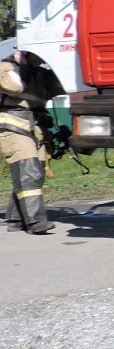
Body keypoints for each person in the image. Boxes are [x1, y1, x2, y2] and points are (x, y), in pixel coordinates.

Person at [0, 50, 65, 234]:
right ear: (22, 54)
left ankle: (15, 218)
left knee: (35, 174)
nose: (40, 60)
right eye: (36, 56)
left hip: (35, 127)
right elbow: (15, 86)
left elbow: (65, 86)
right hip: (13, 127)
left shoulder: (40, 74)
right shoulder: (5, 68)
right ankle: (35, 222)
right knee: (29, 172)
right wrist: (23, 66)